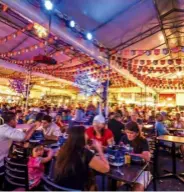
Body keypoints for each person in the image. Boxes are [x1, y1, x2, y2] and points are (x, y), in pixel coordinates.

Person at [54, 126, 109, 190]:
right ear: (80, 137)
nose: (87, 135)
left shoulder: (63, 149)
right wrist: (99, 150)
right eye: (86, 133)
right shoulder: (84, 153)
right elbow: (106, 168)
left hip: (58, 188)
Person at [0, 112, 37, 188]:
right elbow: (23, 137)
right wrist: (33, 127)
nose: (17, 122)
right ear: (11, 120)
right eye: (16, 119)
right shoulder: (6, 128)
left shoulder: (3, 128)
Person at [120, 121, 151, 191]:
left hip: (142, 169)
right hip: (127, 168)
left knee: (137, 189)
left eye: (131, 133)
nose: (129, 135)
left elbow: (147, 157)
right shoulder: (124, 138)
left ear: (137, 133)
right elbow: (120, 149)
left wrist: (131, 154)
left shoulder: (143, 140)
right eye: (127, 132)